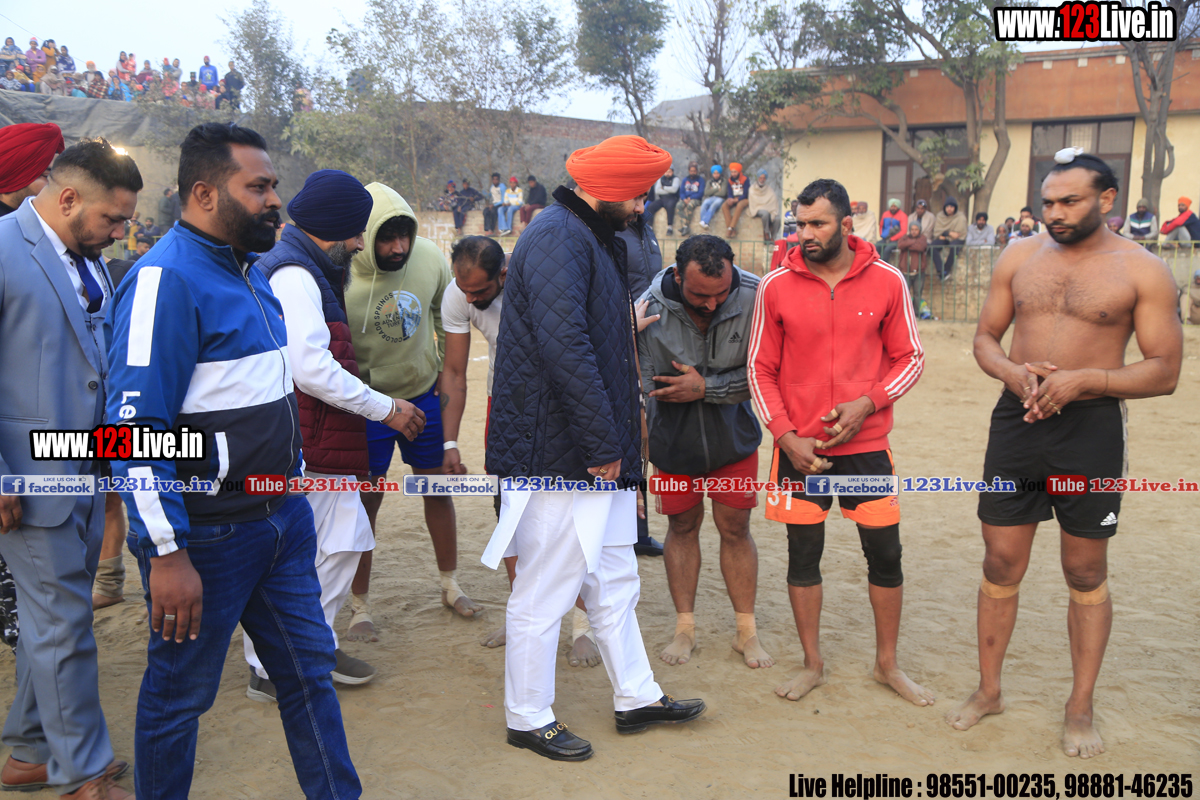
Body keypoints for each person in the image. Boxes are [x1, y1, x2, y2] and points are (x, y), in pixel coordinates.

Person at [106, 122, 362, 798]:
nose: (276, 200)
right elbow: (131, 431)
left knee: (309, 675)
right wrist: (166, 552)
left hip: (281, 521)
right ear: (204, 193)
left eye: (273, 185)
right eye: (259, 187)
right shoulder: (163, 281)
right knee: (178, 701)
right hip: (207, 538)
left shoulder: (253, 272)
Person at [946, 150, 1183, 759]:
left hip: (1091, 430)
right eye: (1048, 202)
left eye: (1069, 202)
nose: (1054, 213)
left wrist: (1087, 380)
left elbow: (1165, 370)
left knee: (1084, 569)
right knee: (1001, 559)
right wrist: (1012, 372)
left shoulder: (1144, 270)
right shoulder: (1019, 255)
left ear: (1106, 200)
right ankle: (989, 690)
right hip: (1017, 422)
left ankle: (1080, 706)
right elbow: (985, 338)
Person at [484, 135, 706, 762]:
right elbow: (566, 349)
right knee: (545, 586)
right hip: (562, 452)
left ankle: (636, 696)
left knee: (614, 579)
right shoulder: (558, 235)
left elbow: (589, 332)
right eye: (635, 195)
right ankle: (527, 716)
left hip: (590, 448)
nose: (640, 208)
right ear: (606, 190)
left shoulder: (588, 233)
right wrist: (603, 443)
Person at [748, 177, 931, 707]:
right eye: (799, 224)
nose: (805, 234)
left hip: (867, 449)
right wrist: (786, 437)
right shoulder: (775, 286)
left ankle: (887, 665)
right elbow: (759, 369)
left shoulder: (888, 280)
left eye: (817, 223)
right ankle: (813, 664)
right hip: (799, 452)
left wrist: (869, 402)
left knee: (886, 554)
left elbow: (911, 358)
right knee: (803, 555)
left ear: (846, 225)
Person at [249, 169, 425, 701]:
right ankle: (277, 663)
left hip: (319, 438)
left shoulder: (304, 266)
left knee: (339, 544)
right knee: (317, 552)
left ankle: (311, 648)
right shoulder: (294, 274)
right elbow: (312, 369)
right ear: (330, 227)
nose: (359, 244)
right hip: (310, 442)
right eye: (354, 232)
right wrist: (384, 409)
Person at [0, 132, 136, 798]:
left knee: (53, 619)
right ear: (69, 198)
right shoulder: (3, 250)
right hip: (24, 484)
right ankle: (84, 776)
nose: (119, 231)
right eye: (112, 218)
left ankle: (30, 751)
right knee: (64, 624)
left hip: (84, 475)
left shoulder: (91, 261)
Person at [441, 237, 606, 664]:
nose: (471, 299)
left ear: (504, 275)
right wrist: (449, 441)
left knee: (574, 512)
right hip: (506, 403)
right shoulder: (459, 294)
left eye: (480, 291)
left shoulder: (543, 281)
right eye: (465, 290)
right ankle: (523, 616)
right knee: (510, 512)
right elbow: (454, 372)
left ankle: (582, 626)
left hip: (561, 402)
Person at [345, 181, 483, 641]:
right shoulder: (342, 268)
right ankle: (359, 606)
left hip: (422, 396)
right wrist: (369, 404)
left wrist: (442, 378)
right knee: (366, 501)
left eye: (404, 235)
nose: (399, 247)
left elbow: (446, 321)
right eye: (387, 238)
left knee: (436, 488)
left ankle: (449, 584)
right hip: (368, 405)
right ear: (367, 236)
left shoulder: (427, 257)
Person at [637, 234, 770, 670]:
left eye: (721, 293)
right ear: (678, 276)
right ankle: (685, 629)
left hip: (734, 440)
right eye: (700, 295)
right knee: (681, 527)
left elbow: (766, 375)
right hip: (672, 443)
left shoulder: (756, 296)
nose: (712, 304)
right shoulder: (647, 306)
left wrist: (705, 388)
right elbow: (641, 385)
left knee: (736, 528)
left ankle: (746, 632)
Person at [894, 220, 928, 314]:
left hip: (918, 271)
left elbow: (920, 247)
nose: (914, 231)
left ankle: (916, 314)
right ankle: (904, 314)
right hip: (905, 271)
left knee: (917, 294)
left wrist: (908, 244)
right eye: (912, 229)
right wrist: (913, 242)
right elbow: (900, 245)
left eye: (916, 229)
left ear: (919, 230)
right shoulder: (905, 237)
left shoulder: (923, 238)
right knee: (905, 294)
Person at [931, 197, 966, 279]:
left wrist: (946, 233)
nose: (949, 209)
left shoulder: (960, 217)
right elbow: (937, 231)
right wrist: (949, 233)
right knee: (932, 247)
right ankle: (940, 270)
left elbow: (958, 235)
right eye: (947, 207)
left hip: (957, 239)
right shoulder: (940, 216)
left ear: (955, 208)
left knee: (954, 247)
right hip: (945, 238)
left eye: (951, 207)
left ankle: (946, 270)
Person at [643, 167, 681, 235]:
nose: (668, 173)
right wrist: (668, 190)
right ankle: (650, 226)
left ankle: (669, 227)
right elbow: (657, 191)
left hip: (672, 198)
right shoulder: (661, 179)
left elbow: (674, 190)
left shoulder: (676, 179)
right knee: (651, 206)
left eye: (669, 172)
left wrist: (663, 188)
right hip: (662, 199)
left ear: (672, 172)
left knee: (670, 206)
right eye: (666, 172)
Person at [748, 169, 779, 242]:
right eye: (760, 178)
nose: (762, 180)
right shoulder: (752, 189)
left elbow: (773, 201)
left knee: (777, 219)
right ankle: (766, 232)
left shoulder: (769, 189)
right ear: (758, 178)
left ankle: (773, 238)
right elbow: (753, 202)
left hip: (769, 209)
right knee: (765, 213)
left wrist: (772, 211)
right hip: (757, 209)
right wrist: (762, 207)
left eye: (763, 178)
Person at [676, 162, 705, 236]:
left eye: (694, 171)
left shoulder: (700, 180)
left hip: (696, 199)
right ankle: (684, 226)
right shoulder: (685, 180)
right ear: (689, 171)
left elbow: (701, 193)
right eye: (691, 171)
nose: (693, 172)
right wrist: (684, 198)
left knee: (690, 205)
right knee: (679, 206)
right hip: (685, 199)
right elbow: (681, 192)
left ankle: (685, 226)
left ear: (697, 171)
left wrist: (691, 198)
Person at [721, 162, 749, 237]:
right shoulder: (730, 180)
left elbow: (746, 193)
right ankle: (731, 229)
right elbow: (729, 192)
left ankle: (731, 228)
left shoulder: (745, 179)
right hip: (734, 198)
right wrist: (730, 199)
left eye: (735, 172)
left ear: (739, 172)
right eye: (732, 172)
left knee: (739, 205)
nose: (733, 174)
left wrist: (737, 199)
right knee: (724, 206)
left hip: (743, 199)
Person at [699, 165, 725, 231]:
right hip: (710, 198)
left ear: (720, 173)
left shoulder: (724, 181)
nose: (716, 175)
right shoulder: (709, 182)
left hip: (720, 198)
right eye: (714, 173)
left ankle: (704, 221)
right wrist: (717, 189)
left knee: (714, 205)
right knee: (705, 203)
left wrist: (712, 191)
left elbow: (723, 193)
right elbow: (706, 192)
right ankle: (704, 222)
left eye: (717, 173)